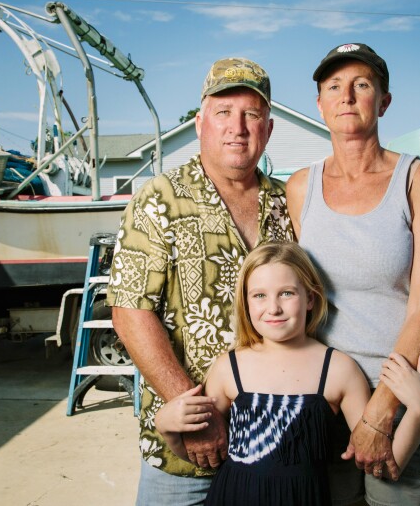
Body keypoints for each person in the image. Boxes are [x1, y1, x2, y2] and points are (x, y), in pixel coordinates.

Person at [107, 57, 295, 505]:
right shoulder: (158, 199)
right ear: (199, 123)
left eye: (252, 114)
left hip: (277, 445)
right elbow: (130, 312)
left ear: (268, 130)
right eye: (223, 113)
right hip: (188, 455)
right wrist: (198, 417)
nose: (238, 127)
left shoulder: (286, 204)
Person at [286, 43, 420, 505]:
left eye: (361, 85)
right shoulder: (300, 189)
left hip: (405, 397)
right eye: (334, 87)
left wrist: (381, 412)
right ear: (320, 104)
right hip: (326, 402)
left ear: (383, 101)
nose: (347, 96)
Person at [155, 241, 420, 505]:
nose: (273, 307)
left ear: (310, 299)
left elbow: (384, 460)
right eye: (260, 295)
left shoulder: (338, 370)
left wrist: (419, 408)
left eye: (286, 293)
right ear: (246, 303)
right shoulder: (229, 367)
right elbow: (205, 456)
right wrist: (167, 428)